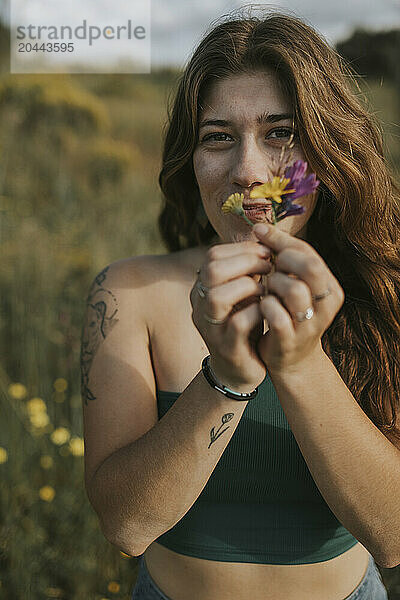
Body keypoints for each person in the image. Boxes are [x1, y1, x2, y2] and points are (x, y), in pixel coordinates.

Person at [80, 10, 400, 600]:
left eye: (281, 133)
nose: (249, 173)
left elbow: (393, 534)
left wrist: (301, 364)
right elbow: (126, 527)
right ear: (191, 160)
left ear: (327, 155)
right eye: (217, 137)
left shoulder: (386, 288)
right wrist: (226, 377)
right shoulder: (126, 293)